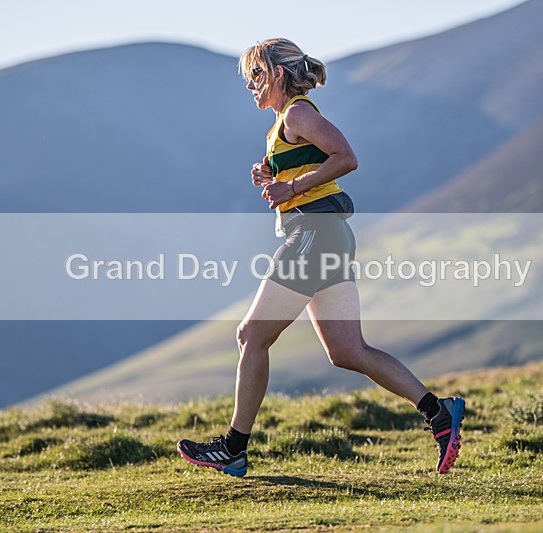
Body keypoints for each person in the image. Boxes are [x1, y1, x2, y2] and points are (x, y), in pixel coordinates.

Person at [177, 38, 465, 477]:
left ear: (277, 73)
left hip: (314, 234)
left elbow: (346, 157)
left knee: (251, 335)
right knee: (349, 351)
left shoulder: (297, 112)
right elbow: (311, 164)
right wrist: (274, 173)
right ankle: (439, 413)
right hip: (329, 235)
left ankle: (234, 448)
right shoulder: (282, 122)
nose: (250, 85)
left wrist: (291, 189)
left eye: (256, 75)